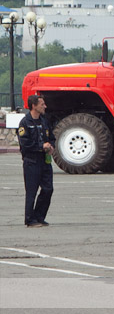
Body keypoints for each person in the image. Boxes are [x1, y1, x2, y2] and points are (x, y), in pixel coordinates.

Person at [18, 94, 55, 228]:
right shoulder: (25, 123)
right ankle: (30, 219)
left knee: (48, 189)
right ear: (33, 106)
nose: (44, 106)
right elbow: (25, 144)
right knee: (31, 192)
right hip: (31, 162)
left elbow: (52, 137)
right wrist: (41, 147)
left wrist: (51, 146)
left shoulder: (44, 121)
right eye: (42, 104)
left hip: (45, 161)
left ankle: (39, 216)